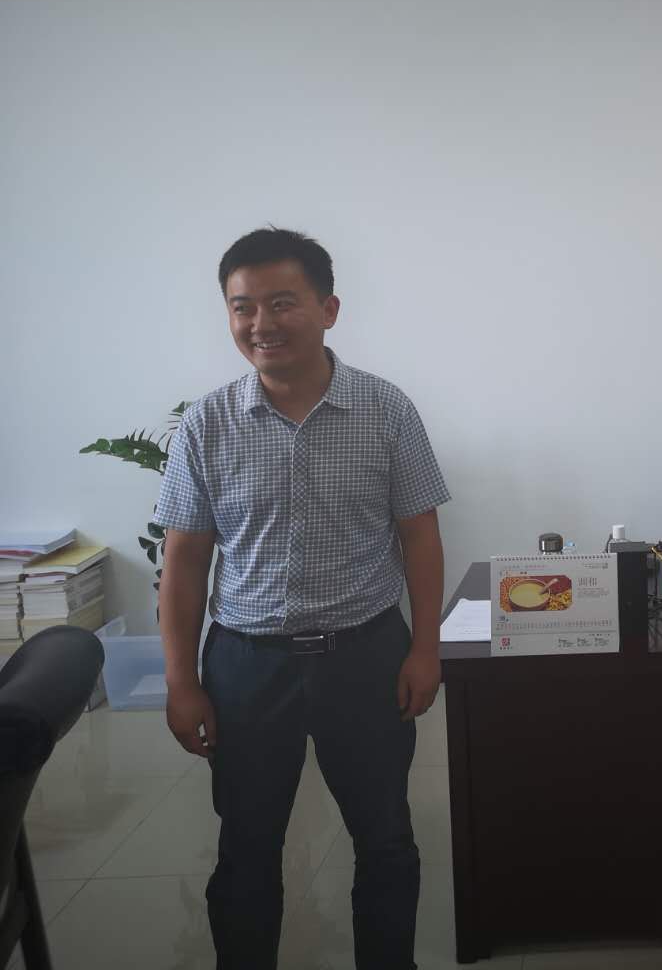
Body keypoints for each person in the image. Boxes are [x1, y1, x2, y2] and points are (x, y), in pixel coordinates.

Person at [155, 227, 450, 970]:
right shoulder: (207, 424)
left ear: (328, 309)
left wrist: (425, 648)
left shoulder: (386, 409)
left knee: (385, 838)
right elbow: (184, 562)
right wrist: (181, 680)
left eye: (282, 303)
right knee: (247, 848)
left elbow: (420, 537)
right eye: (243, 307)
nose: (262, 324)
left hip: (366, 655)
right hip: (247, 665)